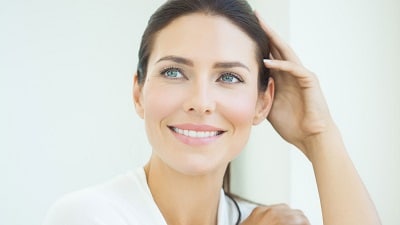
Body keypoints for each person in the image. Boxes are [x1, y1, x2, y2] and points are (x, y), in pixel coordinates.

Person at [43, 0, 381, 224]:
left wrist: (319, 136)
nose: (201, 101)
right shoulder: (88, 215)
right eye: (174, 72)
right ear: (138, 93)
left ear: (263, 102)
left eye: (229, 77)